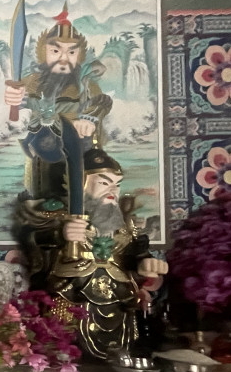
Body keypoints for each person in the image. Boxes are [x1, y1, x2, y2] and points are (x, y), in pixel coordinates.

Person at [17, 149, 168, 359]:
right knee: (65, 345)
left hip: (118, 295)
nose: (112, 190)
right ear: (80, 183)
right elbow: (32, 239)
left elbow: (134, 252)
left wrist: (144, 264)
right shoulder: (57, 214)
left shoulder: (124, 222)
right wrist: (60, 234)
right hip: (72, 292)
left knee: (124, 344)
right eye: (104, 183)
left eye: (117, 184)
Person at [3, 5, 113, 204]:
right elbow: (19, 103)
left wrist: (88, 119)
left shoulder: (84, 82)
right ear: (43, 52)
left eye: (71, 52)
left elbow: (103, 101)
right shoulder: (32, 81)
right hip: (39, 148)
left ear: (79, 55)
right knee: (40, 193)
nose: (63, 59)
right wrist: (13, 99)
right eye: (55, 51)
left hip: (77, 149)